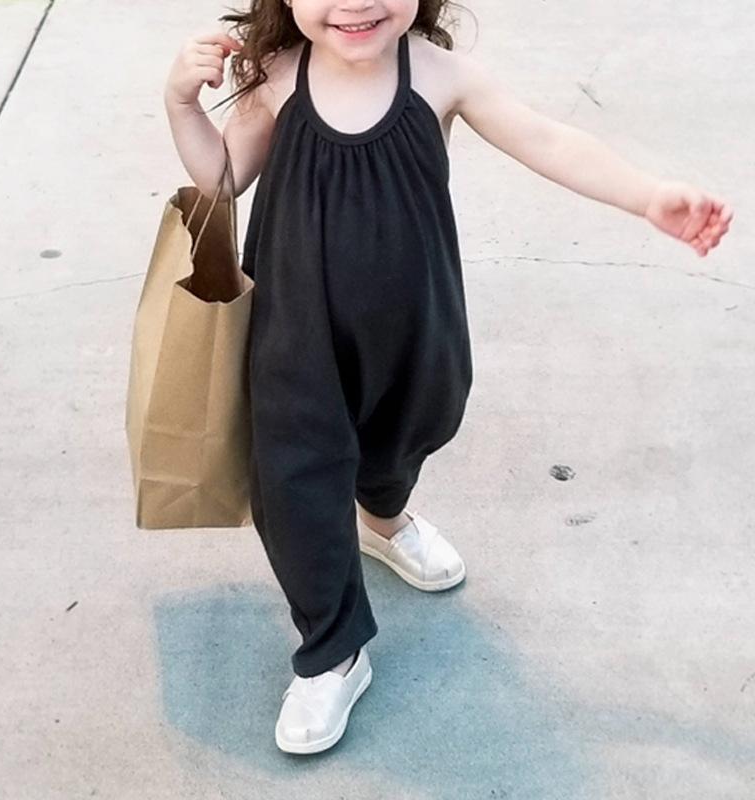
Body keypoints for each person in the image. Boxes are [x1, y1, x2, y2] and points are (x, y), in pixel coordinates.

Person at [163, 0, 733, 755]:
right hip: (294, 336)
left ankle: (383, 517)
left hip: (414, 333)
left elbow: (547, 138)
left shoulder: (440, 77)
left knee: (409, 432)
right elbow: (222, 178)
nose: (356, 2)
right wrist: (181, 104)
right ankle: (333, 649)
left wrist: (648, 195)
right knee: (296, 478)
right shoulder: (278, 79)